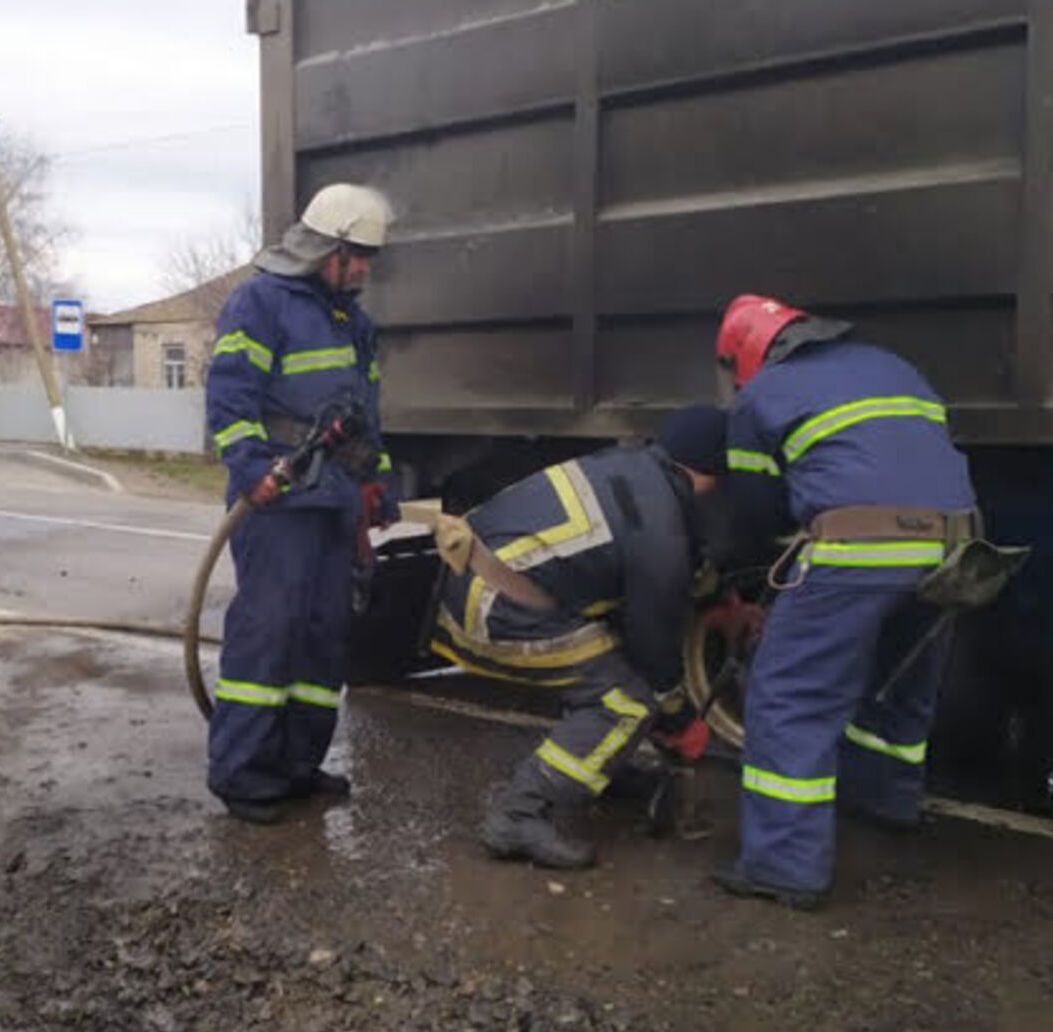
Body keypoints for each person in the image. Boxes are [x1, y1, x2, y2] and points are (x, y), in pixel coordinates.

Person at [713, 294, 978, 910]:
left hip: (863, 546)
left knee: (789, 697)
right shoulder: (892, 365)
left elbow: (756, 507)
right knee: (897, 676)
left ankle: (782, 866)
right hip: (955, 544)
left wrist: (739, 563)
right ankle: (885, 798)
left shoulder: (760, 395)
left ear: (745, 355)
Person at [427, 407, 727, 869]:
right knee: (626, 699)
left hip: (476, 584)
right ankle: (517, 813)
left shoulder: (630, 466)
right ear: (707, 473)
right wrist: (677, 717)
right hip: (497, 611)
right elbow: (654, 646)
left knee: (609, 663)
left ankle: (601, 762)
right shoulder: (661, 530)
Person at [203, 184, 403, 824]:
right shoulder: (260, 303)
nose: (367, 268)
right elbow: (229, 395)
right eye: (361, 254)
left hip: (335, 499)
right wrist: (252, 467)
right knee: (270, 632)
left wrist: (376, 484)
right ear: (331, 247)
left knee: (323, 636)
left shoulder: (353, 321)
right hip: (281, 498)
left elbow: (366, 416)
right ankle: (242, 774)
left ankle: (295, 764)